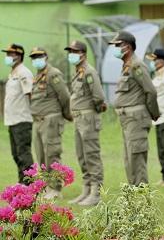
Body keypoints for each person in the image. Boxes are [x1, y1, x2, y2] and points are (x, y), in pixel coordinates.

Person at [109, 31, 160, 185]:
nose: (115, 49)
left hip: (136, 118)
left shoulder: (137, 65)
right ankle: (134, 196)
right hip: (128, 119)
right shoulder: (127, 65)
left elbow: (150, 90)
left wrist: (153, 114)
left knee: (136, 160)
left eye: (118, 45)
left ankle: (142, 199)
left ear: (128, 47)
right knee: (129, 159)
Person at [65, 40, 107, 206]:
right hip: (78, 118)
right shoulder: (78, 72)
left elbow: (98, 96)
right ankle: (87, 189)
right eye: (70, 51)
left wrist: (94, 110)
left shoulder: (89, 72)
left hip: (88, 118)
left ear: (83, 53)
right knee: (82, 155)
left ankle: (96, 192)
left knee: (91, 155)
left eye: (74, 51)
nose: (71, 54)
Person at [29, 47, 72, 199]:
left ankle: (56, 188)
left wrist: (67, 115)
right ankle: (46, 187)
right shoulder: (38, 76)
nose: (36, 59)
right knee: (41, 156)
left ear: (46, 57)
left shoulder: (53, 74)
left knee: (52, 155)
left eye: (39, 56)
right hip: (37, 121)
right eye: (34, 57)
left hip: (51, 120)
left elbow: (65, 96)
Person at [2, 44, 34, 184]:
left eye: (11, 54)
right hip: (12, 120)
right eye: (7, 54)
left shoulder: (24, 72)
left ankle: (30, 183)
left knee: (23, 154)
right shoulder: (13, 73)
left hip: (22, 119)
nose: (8, 57)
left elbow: (30, 94)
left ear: (19, 56)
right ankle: (22, 182)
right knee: (16, 154)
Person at [146, 49, 164, 187]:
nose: (153, 62)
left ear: (162, 60)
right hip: (158, 118)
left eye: (155, 59)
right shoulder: (158, 74)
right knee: (162, 149)